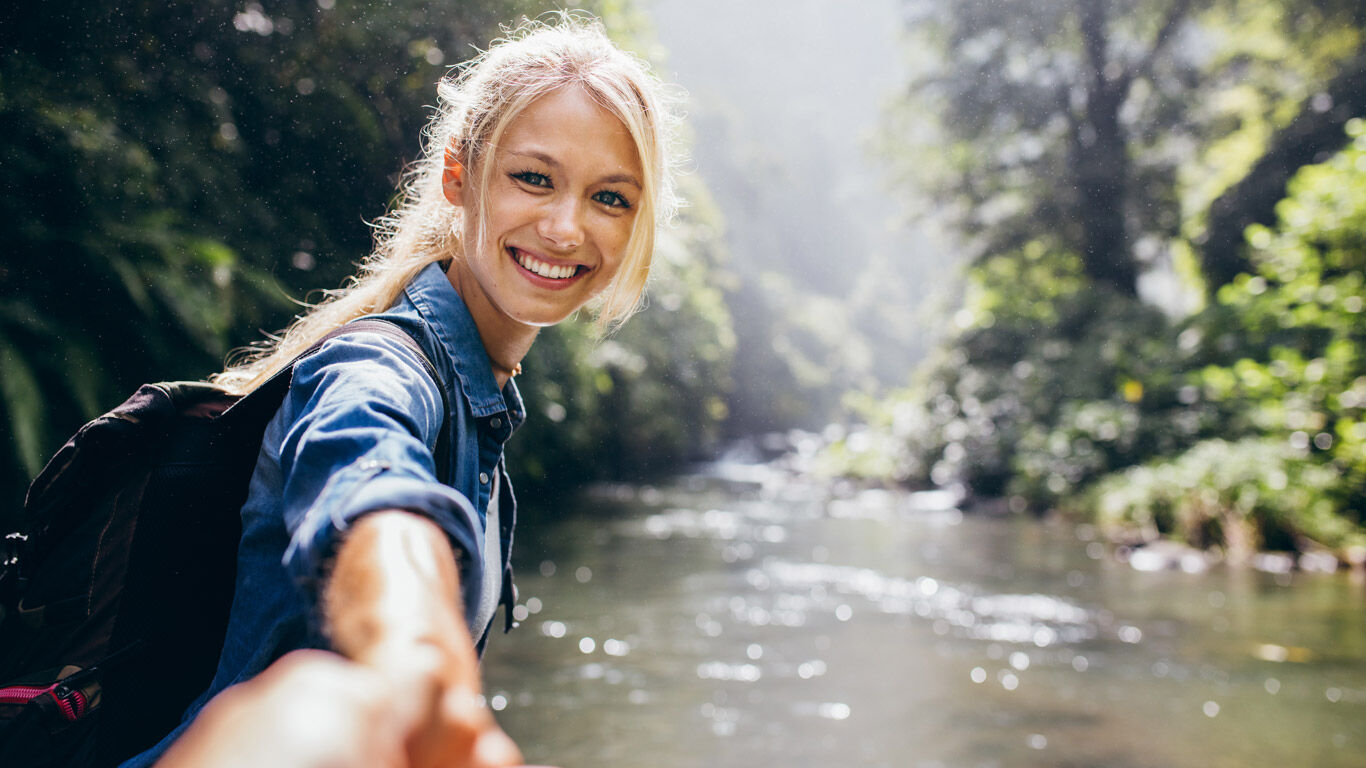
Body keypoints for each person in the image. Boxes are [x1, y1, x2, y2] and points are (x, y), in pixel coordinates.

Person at [123, 12, 681, 768]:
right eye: (534, 178)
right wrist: (415, 649)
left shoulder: (484, 399)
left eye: (609, 198)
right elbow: (367, 482)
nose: (563, 227)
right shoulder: (375, 364)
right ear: (459, 175)